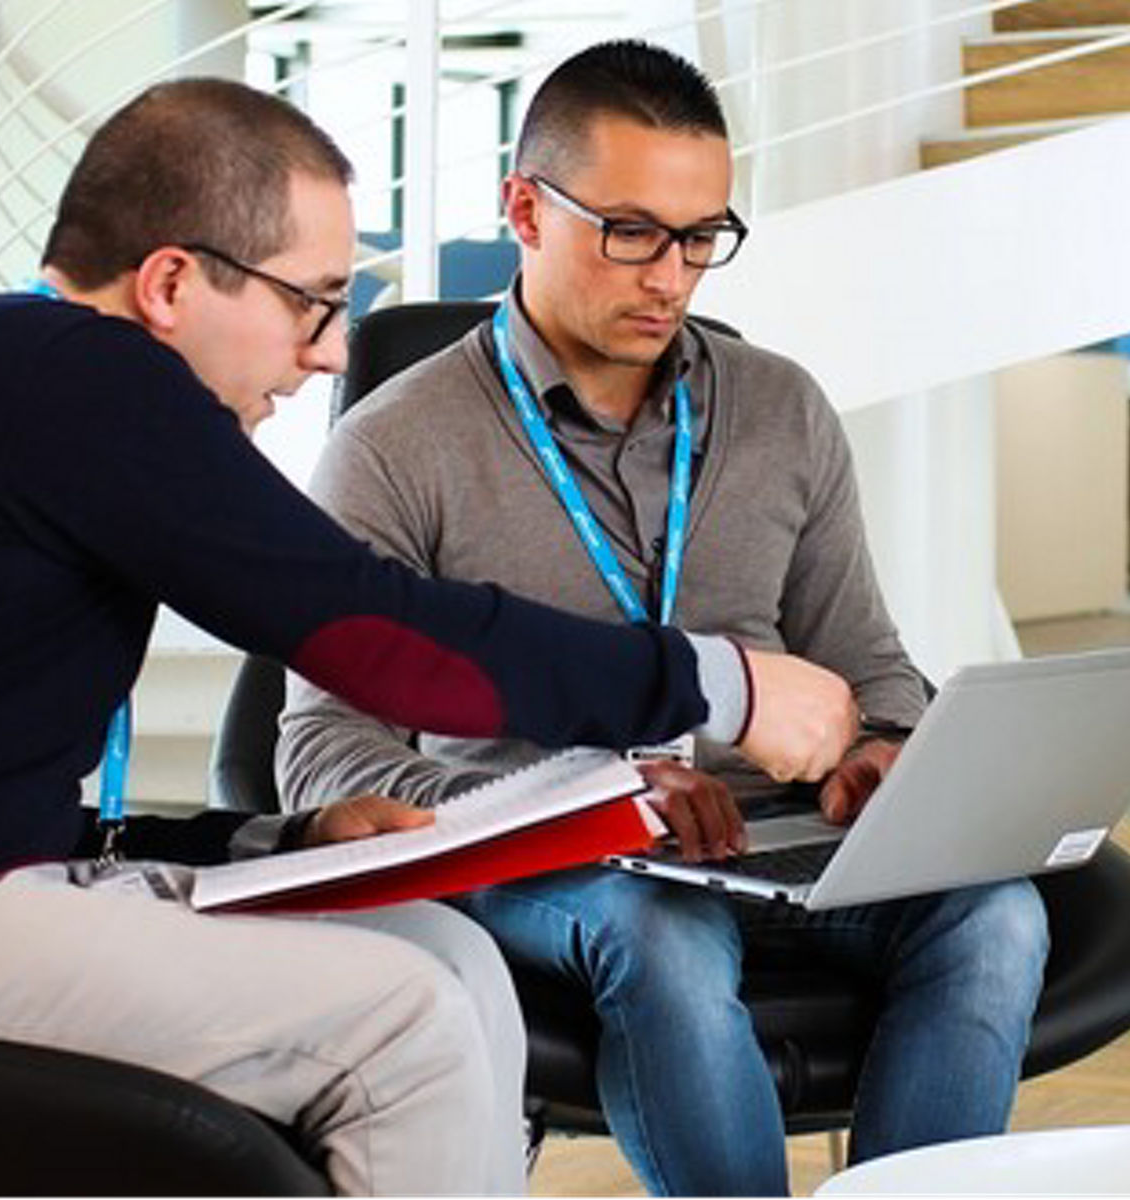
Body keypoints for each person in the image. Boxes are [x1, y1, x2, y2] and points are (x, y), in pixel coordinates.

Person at [0, 77, 859, 1195]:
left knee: (442, 953)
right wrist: (714, 680)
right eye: (311, 304)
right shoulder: (80, 378)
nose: (329, 352)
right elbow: (373, 635)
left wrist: (270, 840)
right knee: (401, 1025)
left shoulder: (5, 377)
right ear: (174, 283)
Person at [276, 41, 1051, 1196]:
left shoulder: (779, 409)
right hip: (551, 857)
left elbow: (866, 658)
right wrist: (575, 798)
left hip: (772, 839)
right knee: (662, 938)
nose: (670, 277)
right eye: (631, 231)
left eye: (700, 237)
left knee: (995, 912)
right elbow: (319, 751)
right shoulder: (393, 449)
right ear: (523, 210)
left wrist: (883, 748)